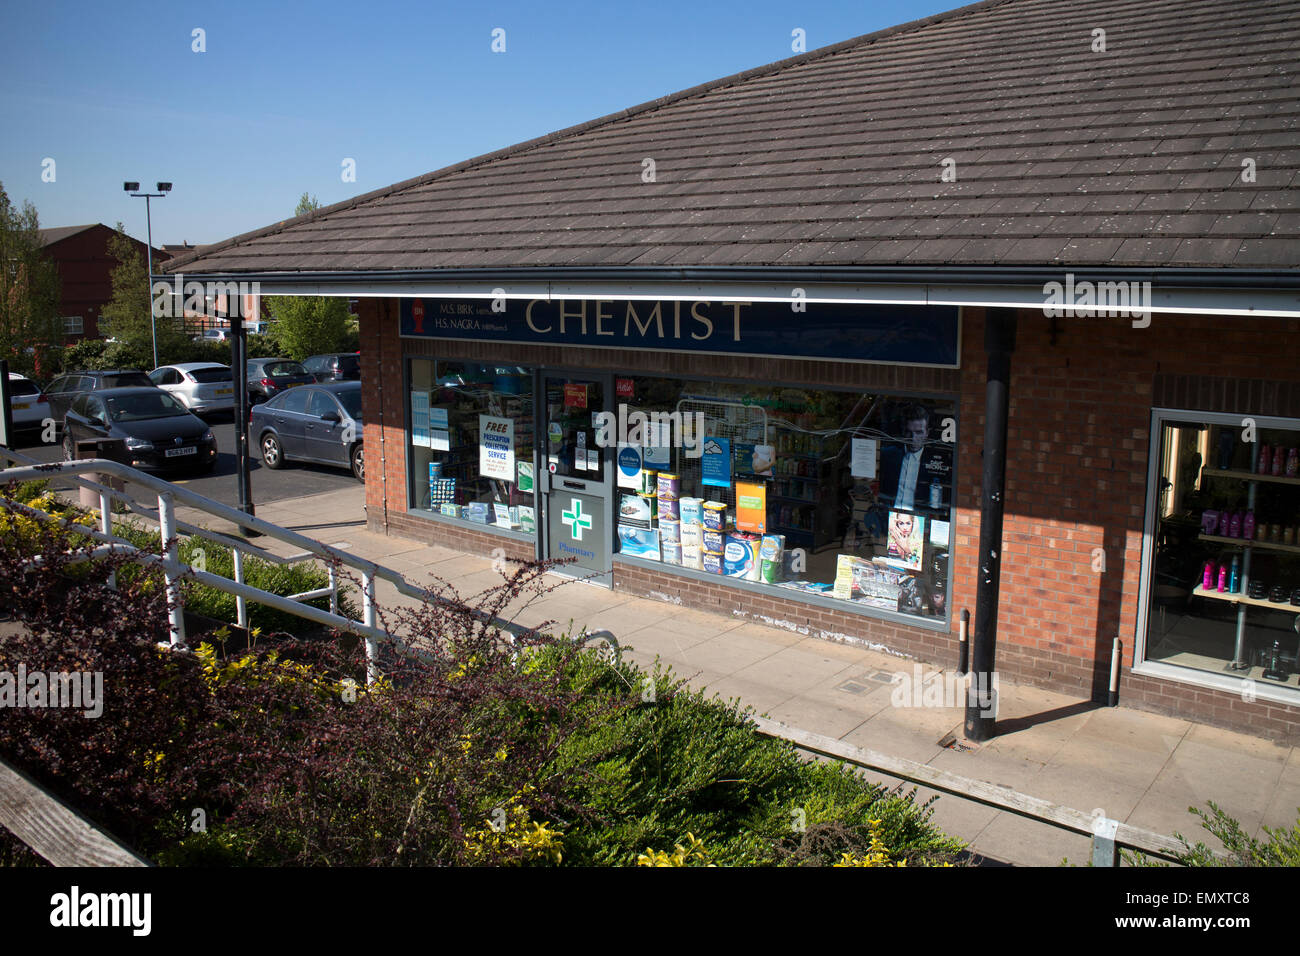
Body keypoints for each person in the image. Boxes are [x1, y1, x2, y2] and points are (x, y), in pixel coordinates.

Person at [878, 404, 950, 511]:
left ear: (927, 433)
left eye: (919, 432)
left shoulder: (936, 462)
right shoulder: (888, 455)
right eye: (909, 432)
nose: (913, 438)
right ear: (903, 431)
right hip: (889, 514)